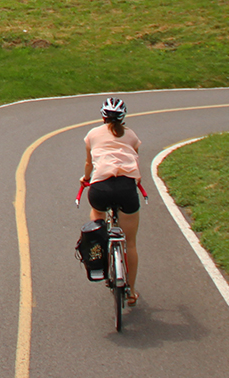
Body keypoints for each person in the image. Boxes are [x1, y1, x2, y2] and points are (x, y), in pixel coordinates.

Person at [81, 97, 142, 305]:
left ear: (102, 115)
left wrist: (86, 179)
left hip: (101, 188)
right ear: (124, 116)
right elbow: (136, 167)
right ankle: (132, 291)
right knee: (130, 243)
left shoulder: (92, 135)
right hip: (126, 188)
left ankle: (98, 241)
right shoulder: (132, 136)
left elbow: (89, 164)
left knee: (97, 213)